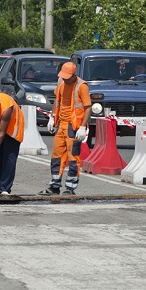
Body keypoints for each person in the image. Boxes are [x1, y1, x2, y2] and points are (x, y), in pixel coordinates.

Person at [40, 62, 91, 195]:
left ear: (74, 75)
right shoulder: (61, 82)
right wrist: (52, 117)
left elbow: (88, 108)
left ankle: (70, 188)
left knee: (73, 157)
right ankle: (54, 186)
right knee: (56, 155)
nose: (65, 79)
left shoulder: (81, 86)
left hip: (73, 126)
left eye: (67, 77)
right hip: (61, 124)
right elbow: (57, 101)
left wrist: (82, 127)